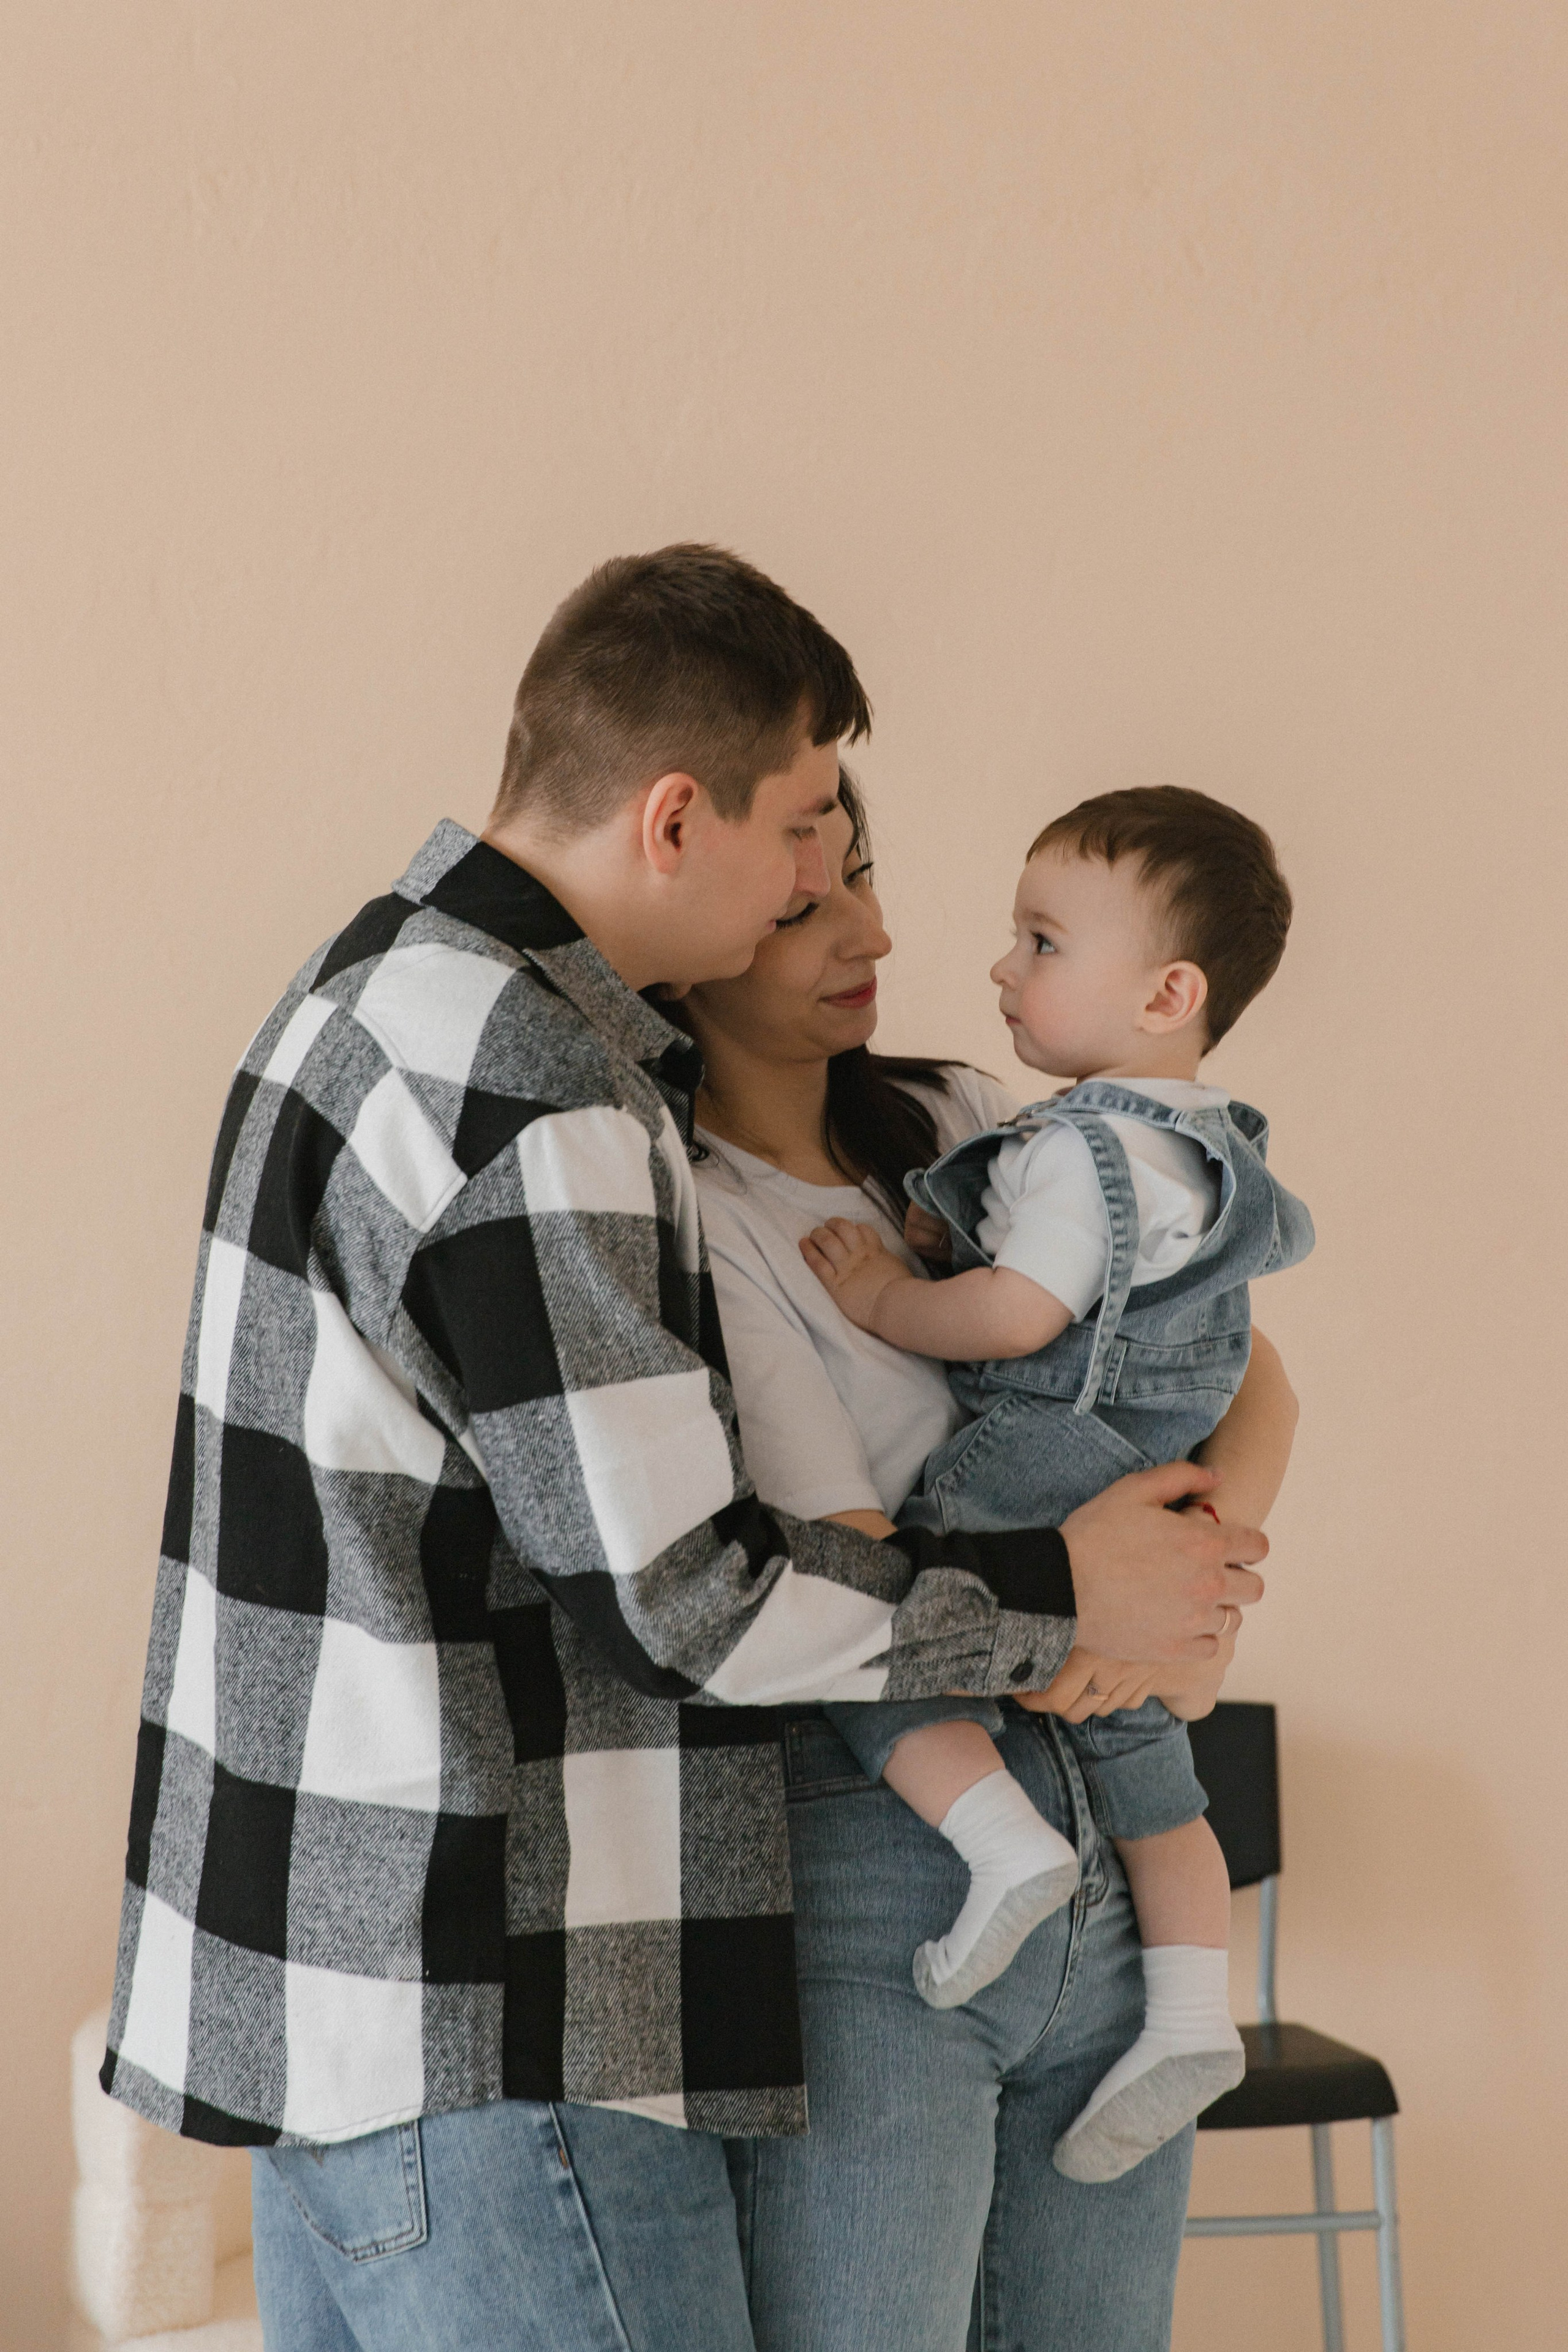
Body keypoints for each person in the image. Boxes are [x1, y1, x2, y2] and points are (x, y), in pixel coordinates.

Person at [100, 548, 1265, 2352]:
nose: (831, 881)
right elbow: (687, 1599)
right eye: (804, 830)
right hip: (507, 2007)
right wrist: (1058, 1588)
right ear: (672, 817)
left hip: (360, 2007)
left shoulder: (371, 996)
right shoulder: (534, 1085)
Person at [679, 775, 1296, 2351]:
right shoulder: (696, 1210)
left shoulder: (975, 1123)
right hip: (896, 1864)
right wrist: (1090, 1600)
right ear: (693, 922)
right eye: (806, 899)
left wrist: (1191, 1598)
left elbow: (1251, 1376)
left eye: (862, 876)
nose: (875, 929)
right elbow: (847, 1555)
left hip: (1099, 1795)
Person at [801, 786, 1312, 2183]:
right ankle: (1194, 2013)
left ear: (1164, 992)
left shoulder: (1076, 1143)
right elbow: (1227, 1363)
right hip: (1145, 1472)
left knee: (892, 1638)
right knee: (1157, 1772)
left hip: (1041, 1464)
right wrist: (1180, 1585)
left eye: (1039, 942)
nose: (995, 966)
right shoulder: (1208, 1149)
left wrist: (893, 1299)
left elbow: (1018, 1322)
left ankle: (998, 1843)